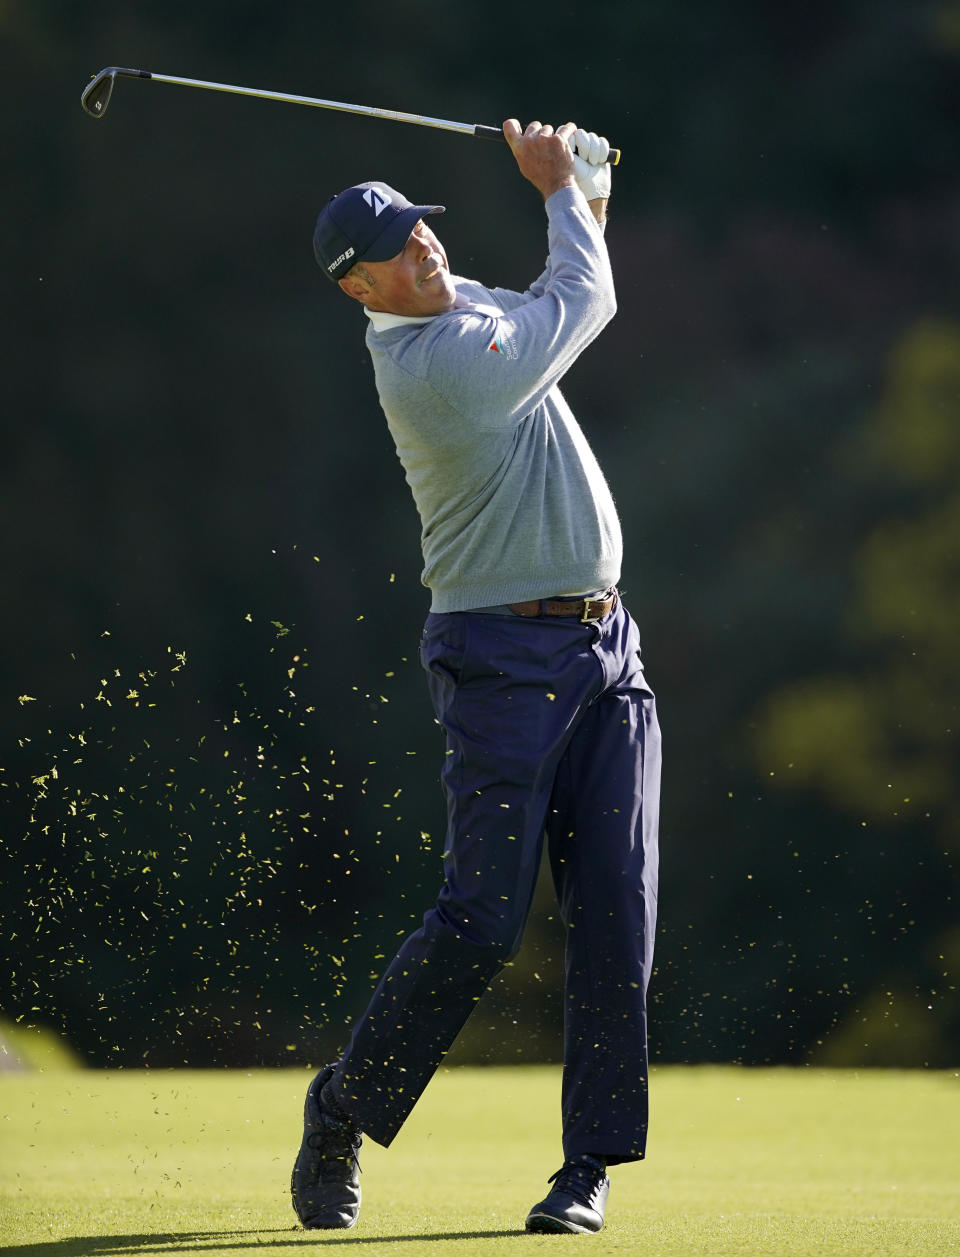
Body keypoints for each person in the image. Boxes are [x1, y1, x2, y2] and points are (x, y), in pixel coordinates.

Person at [292, 118, 661, 1235]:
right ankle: (343, 1105)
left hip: (607, 649)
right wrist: (557, 187)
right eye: (399, 252)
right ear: (360, 289)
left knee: (616, 911)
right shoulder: (432, 366)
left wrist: (586, 185)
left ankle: (586, 1168)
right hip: (503, 660)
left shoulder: (466, 309)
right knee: (482, 922)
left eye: (423, 231)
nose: (427, 253)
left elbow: (564, 280)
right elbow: (583, 307)